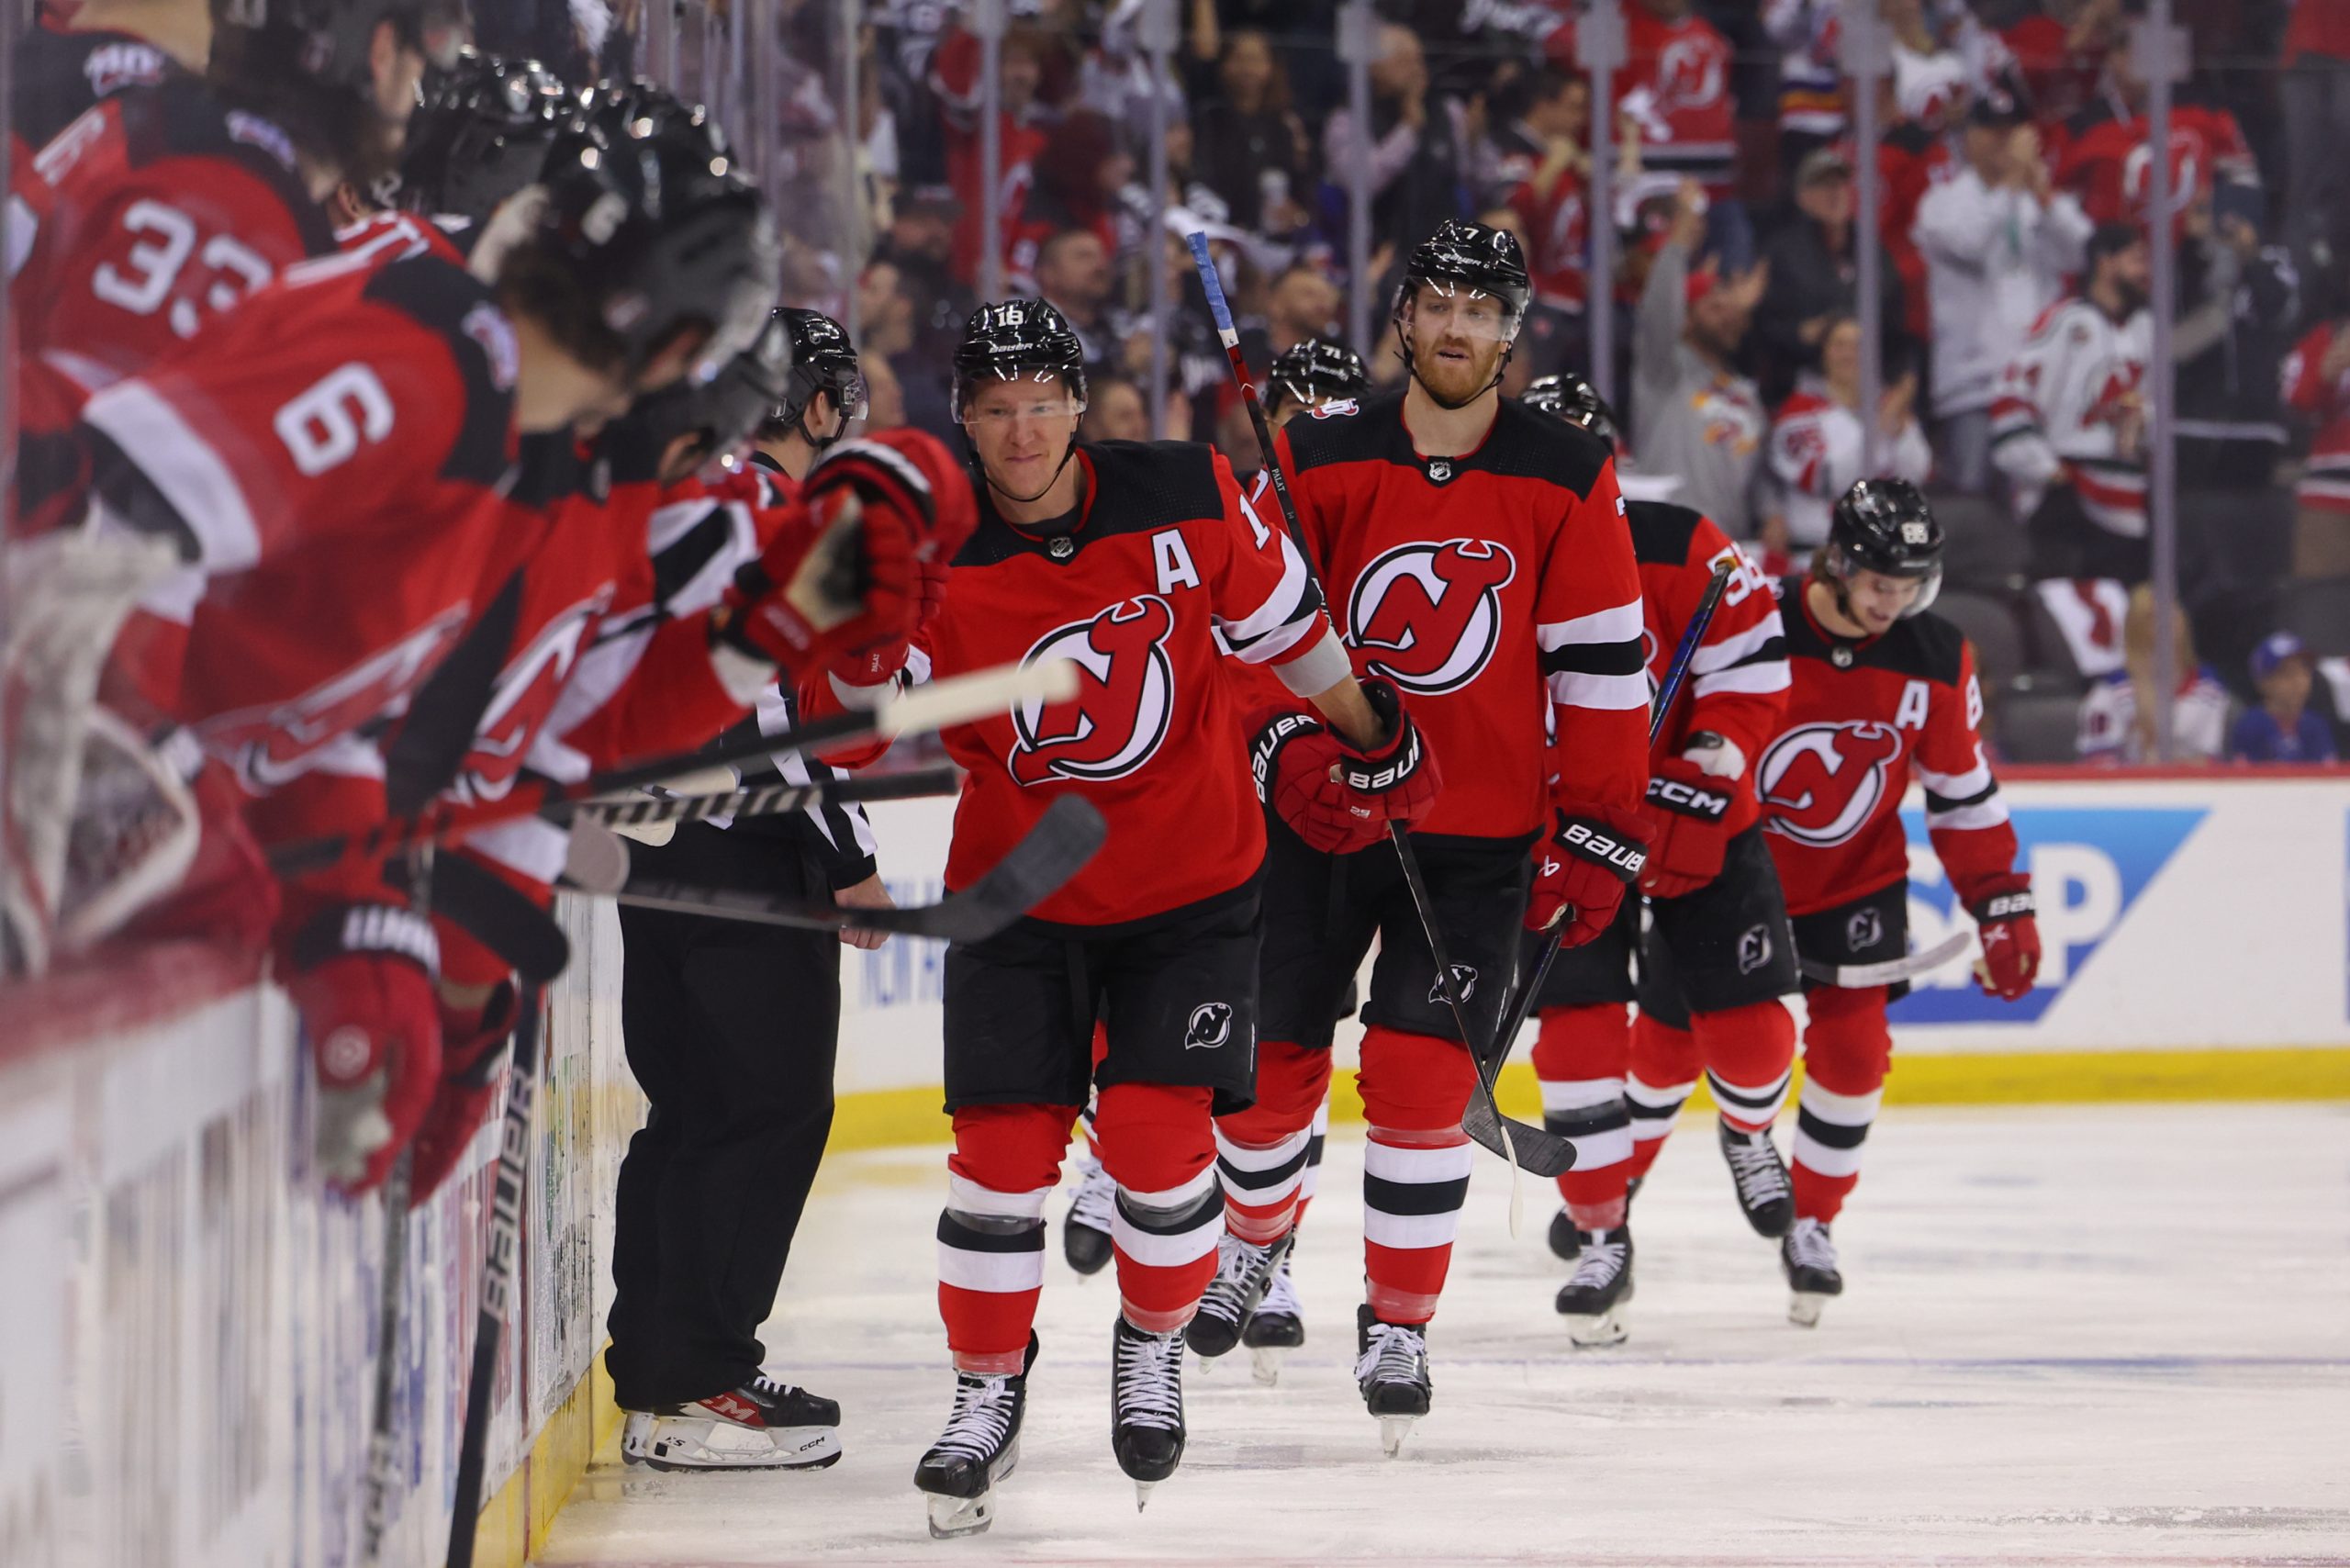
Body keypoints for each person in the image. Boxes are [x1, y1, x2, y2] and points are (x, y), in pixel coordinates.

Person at [45, 81, 787, 1192]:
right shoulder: (432, 362)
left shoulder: (504, 438)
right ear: (679, 345)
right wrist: (145, 786)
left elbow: (332, 720)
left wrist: (361, 921)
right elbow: (103, 505)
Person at [809, 298, 1427, 1533]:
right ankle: (985, 1391)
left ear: (1079, 404)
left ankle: (1148, 1344)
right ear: (965, 421)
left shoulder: (1190, 491)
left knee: (1155, 1149)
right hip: (1016, 901)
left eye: (1042, 400)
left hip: (1187, 895)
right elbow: (854, 705)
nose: (1022, 428)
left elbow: (1289, 631)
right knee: (997, 1169)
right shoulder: (929, 546)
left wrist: (1376, 737)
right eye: (995, 407)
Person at [1187, 222, 1649, 1450]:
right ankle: (1251, 1240)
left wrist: (1598, 827)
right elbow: (1247, 634)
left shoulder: (1569, 470)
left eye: (1479, 309)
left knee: (1424, 1082)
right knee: (1267, 1069)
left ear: (1512, 331)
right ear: (1402, 319)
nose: (1454, 327)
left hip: (1478, 835)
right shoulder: (1317, 457)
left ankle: (1398, 1322)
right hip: (1324, 819)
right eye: (1435, 302)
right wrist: (1286, 754)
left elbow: (1600, 665)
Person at [604, 306, 907, 1473]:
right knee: (763, 1110)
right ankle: (701, 1380)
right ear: (817, 403)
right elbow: (771, 716)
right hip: (748, 856)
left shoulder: (684, 496)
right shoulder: (774, 514)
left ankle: (664, 1370)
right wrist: (853, 861)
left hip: (662, 855)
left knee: (691, 1113)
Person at [1506, 374, 1797, 1345]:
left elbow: (1751, 672)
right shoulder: (1488, 560)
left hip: (1694, 820)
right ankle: (1602, 1234)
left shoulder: (1682, 543)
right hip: (1568, 833)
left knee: (1753, 1043)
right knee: (1581, 1042)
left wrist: (1706, 770)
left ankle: (1748, 1127)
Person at [1738, 479, 2041, 1325]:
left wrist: (2002, 901)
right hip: (1736, 875)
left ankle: (1813, 1222)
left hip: (1856, 882)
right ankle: (1608, 1218)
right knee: (1684, 1045)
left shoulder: (1937, 654)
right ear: (1835, 561)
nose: (1893, 603)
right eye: (1880, 583)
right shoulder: (1754, 619)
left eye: (1910, 587)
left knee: (1857, 1053)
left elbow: (1963, 791)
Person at [1911, 93, 2095, 494]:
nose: (2003, 143)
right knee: (1973, 500)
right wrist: (2012, 183)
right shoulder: (1942, 202)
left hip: (2038, 388)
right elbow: (1970, 241)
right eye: (1992, 133)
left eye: (2010, 133)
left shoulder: (2038, 200)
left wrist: (2043, 194)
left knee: (2039, 508)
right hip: (1974, 387)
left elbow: (2083, 255)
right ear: (1970, 139)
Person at [1990, 222, 2153, 582]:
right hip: (2068, 500)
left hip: (2130, 504)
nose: (2147, 272)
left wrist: (2142, 425)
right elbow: (2012, 395)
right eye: (2137, 260)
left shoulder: (2147, 330)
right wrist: (2047, 471)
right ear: (2105, 263)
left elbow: (2159, 415)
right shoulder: (2065, 321)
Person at [1631, 177, 1769, 540]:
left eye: (1729, 308)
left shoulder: (1747, 394)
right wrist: (1678, 241)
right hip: (1663, 543)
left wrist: (1772, 514)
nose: (1725, 313)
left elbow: (1759, 478)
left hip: (1726, 546)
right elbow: (1658, 312)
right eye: (1713, 306)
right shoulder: (1663, 369)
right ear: (1687, 317)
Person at [1760, 317, 1934, 567]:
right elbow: (1826, 477)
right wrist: (1881, 424)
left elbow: (1916, 473)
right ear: (1824, 354)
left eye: (1857, 345)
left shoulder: (1888, 407)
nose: (1849, 354)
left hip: (1876, 556)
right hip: (1813, 555)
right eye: (1839, 345)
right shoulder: (1799, 412)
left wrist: (1896, 425)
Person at [2076, 586, 2230, 766]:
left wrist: (2171, 766)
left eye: (2172, 610)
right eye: (2152, 616)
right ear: (2135, 627)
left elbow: (2212, 760)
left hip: (2193, 789)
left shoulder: (2208, 685)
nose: (2167, 620)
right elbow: (2097, 763)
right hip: (2130, 790)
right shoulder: (2111, 690)